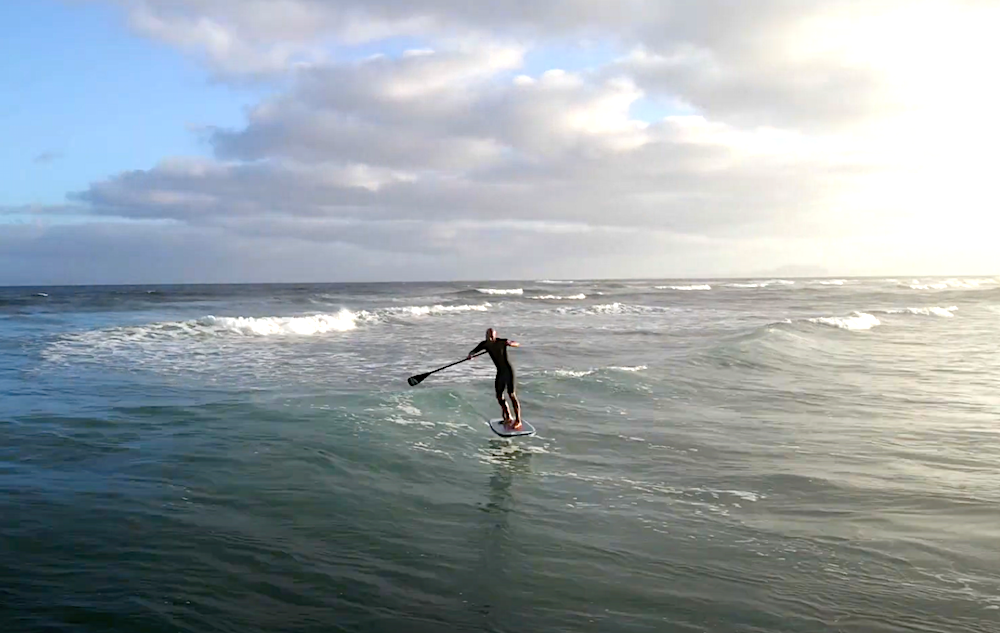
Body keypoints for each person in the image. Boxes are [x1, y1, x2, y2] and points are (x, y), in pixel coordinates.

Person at [468, 328, 522, 429]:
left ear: (495, 336)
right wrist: (471, 355)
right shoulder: (484, 344)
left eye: (492, 336)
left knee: (511, 395)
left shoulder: (501, 342)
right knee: (499, 396)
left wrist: (511, 344)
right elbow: (474, 351)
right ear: (486, 336)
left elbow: (517, 343)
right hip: (500, 372)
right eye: (488, 336)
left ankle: (518, 420)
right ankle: (508, 416)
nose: (490, 338)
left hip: (509, 371)